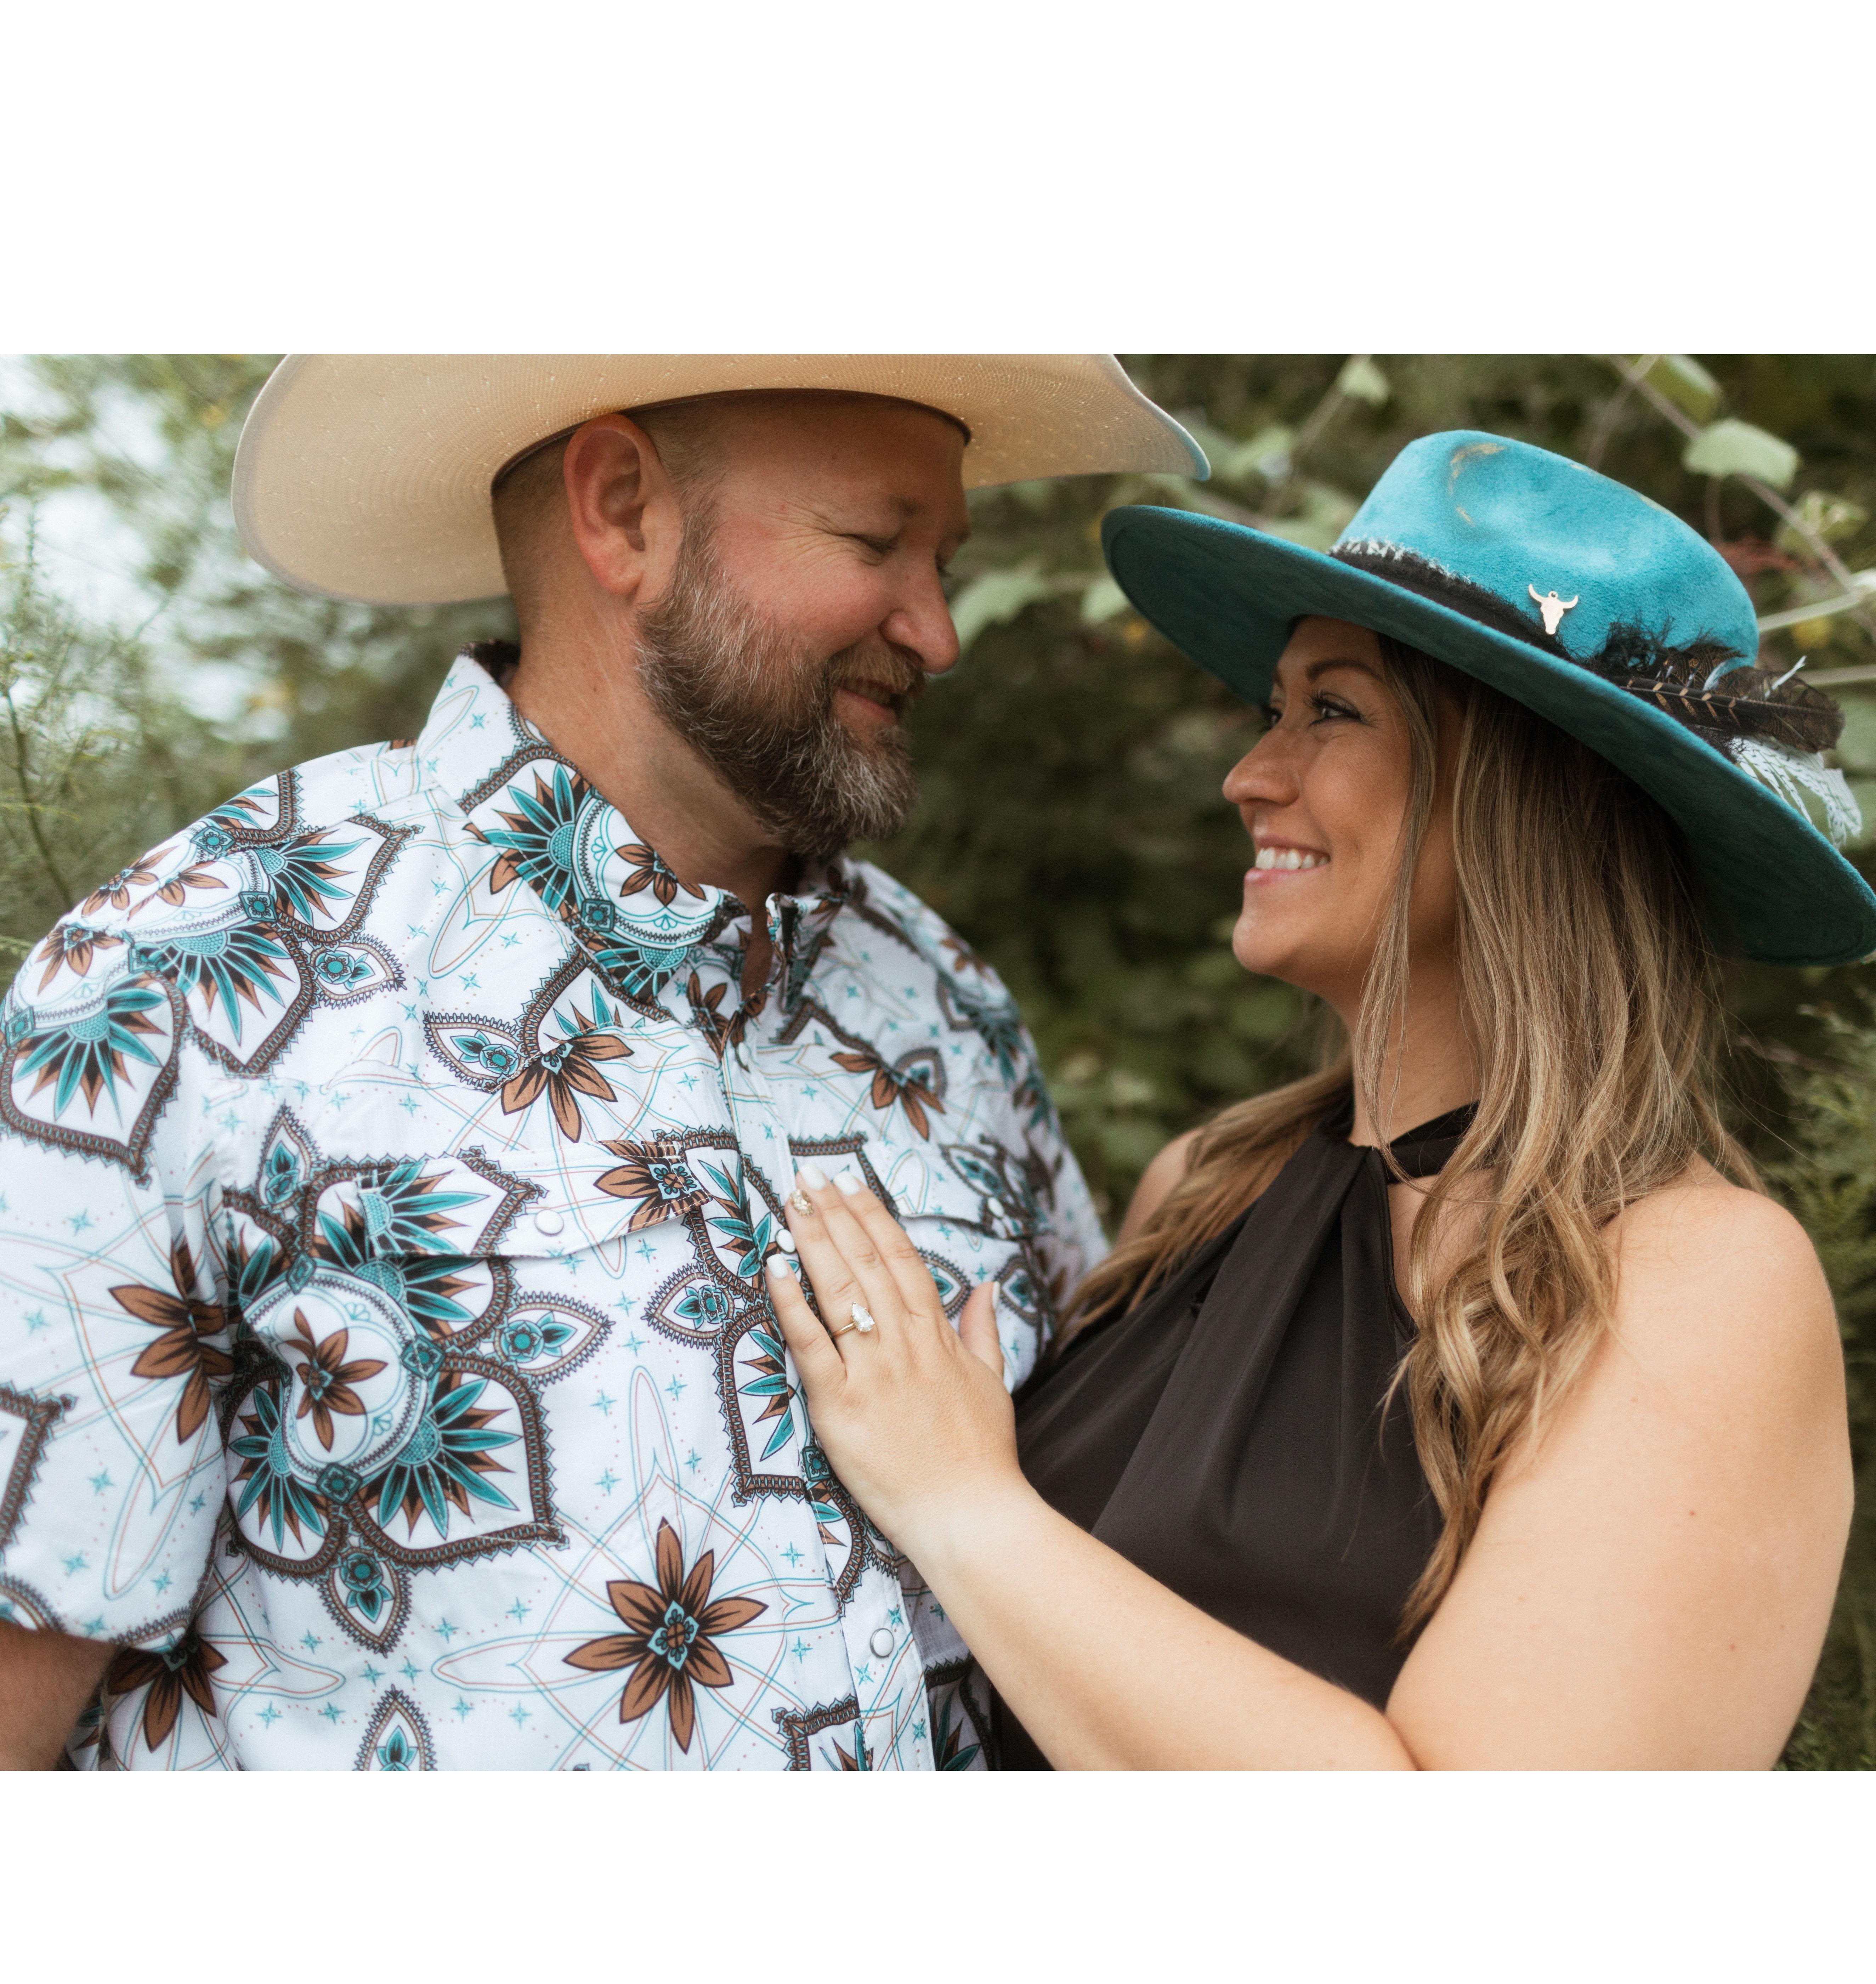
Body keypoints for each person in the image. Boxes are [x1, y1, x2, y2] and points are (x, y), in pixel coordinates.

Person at [0, 355, 1207, 1770]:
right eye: (877, 545)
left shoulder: (942, 1003)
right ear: (623, 511)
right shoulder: (195, 974)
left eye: (943, 557)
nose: (936, 630)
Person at [761, 429, 1876, 1770]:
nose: (1251, 776)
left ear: (1523, 791)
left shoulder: (1693, 1284)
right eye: (1270, 710)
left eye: (1332, 711)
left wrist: (959, 1499)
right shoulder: (1203, 1195)